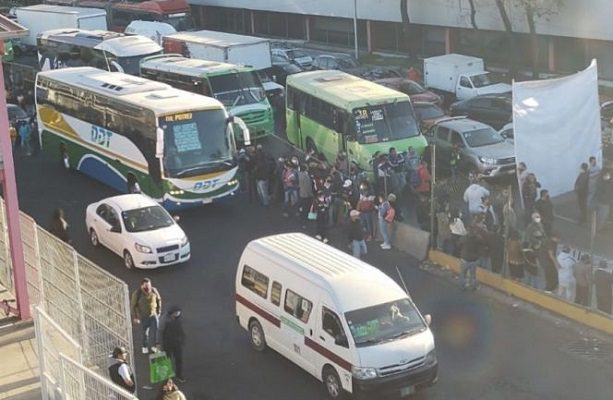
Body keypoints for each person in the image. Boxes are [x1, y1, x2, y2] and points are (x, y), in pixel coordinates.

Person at [130, 278, 162, 354]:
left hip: (153, 315)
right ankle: (144, 346)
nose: (148, 287)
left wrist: (158, 311)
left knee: (156, 331)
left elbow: (159, 299)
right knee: (145, 333)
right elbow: (133, 306)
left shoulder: (154, 290)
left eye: (149, 285)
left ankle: (154, 346)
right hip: (143, 317)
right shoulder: (137, 293)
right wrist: (135, 317)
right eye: (146, 285)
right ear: (142, 286)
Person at [160, 305, 186, 383]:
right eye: (177, 312)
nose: (179, 313)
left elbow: (181, 330)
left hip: (177, 343)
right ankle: (166, 377)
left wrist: (183, 339)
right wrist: (158, 343)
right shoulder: (165, 320)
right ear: (173, 313)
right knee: (167, 360)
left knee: (179, 359)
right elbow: (160, 331)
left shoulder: (178, 319)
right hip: (167, 343)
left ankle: (179, 375)